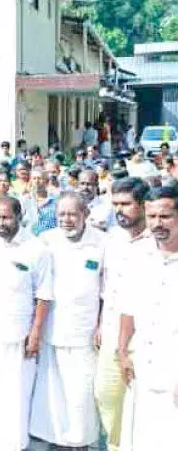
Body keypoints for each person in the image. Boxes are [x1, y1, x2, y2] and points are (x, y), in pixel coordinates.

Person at [0, 197, 53, 451]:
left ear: (19, 217)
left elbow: (44, 295)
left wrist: (35, 334)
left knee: (15, 390)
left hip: (17, 333)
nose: (1, 223)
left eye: (6, 217)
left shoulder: (36, 248)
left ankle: (12, 442)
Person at [30, 193, 104, 448]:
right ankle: (54, 437)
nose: (67, 219)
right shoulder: (46, 240)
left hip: (85, 330)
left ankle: (80, 440)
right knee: (52, 387)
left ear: (86, 214)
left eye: (73, 214)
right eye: (62, 214)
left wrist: (102, 323)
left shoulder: (101, 242)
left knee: (81, 391)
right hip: (52, 327)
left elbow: (108, 289)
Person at [117, 185, 178, 450]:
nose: (157, 223)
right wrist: (121, 352)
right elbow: (127, 308)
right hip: (143, 365)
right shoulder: (139, 256)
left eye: (165, 216)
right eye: (152, 216)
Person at [95, 177, 149, 450]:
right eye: (115, 204)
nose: (119, 210)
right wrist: (99, 324)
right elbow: (104, 287)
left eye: (126, 204)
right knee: (105, 395)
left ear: (143, 205)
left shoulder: (158, 241)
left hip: (144, 338)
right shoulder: (112, 239)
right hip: (111, 333)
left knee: (140, 403)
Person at [22, 169, 57, 235]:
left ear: (46, 181)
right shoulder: (24, 200)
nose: (36, 181)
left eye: (39, 178)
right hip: (30, 237)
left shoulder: (54, 200)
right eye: (34, 178)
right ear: (30, 181)